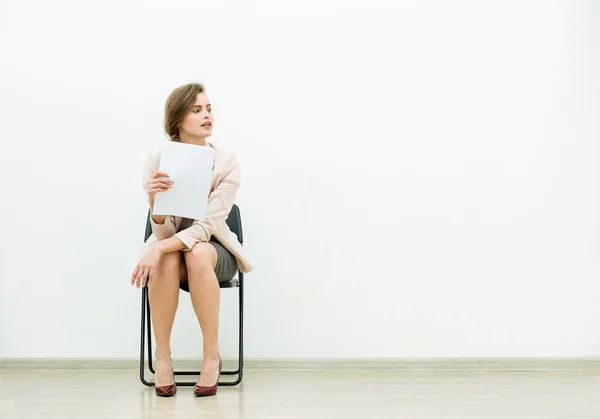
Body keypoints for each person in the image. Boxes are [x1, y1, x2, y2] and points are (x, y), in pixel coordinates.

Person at [130, 83, 253, 397]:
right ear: (177, 121)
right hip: (172, 254)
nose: (207, 115)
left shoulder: (227, 162)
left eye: (208, 109)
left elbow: (205, 228)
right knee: (171, 255)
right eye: (197, 110)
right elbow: (164, 234)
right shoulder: (157, 160)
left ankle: (212, 355)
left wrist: (157, 248)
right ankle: (163, 356)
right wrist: (154, 203)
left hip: (214, 254)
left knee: (196, 252)